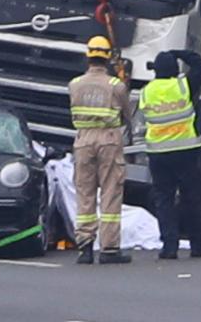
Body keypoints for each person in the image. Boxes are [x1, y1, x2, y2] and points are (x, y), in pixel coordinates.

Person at [140, 49, 201, 260]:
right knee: (192, 198)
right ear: (175, 69)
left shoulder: (147, 91)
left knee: (164, 199)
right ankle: (198, 245)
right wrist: (182, 54)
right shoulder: (183, 86)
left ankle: (169, 247)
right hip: (185, 151)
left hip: (158, 154)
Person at [68, 35, 132, 264]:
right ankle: (109, 248)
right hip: (108, 139)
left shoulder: (74, 84)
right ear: (106, 59)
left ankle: (85, 247)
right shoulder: (116, 86)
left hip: (83, 141)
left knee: (84, 194)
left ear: (88, 57)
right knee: (110, 192)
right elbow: (127, 114)